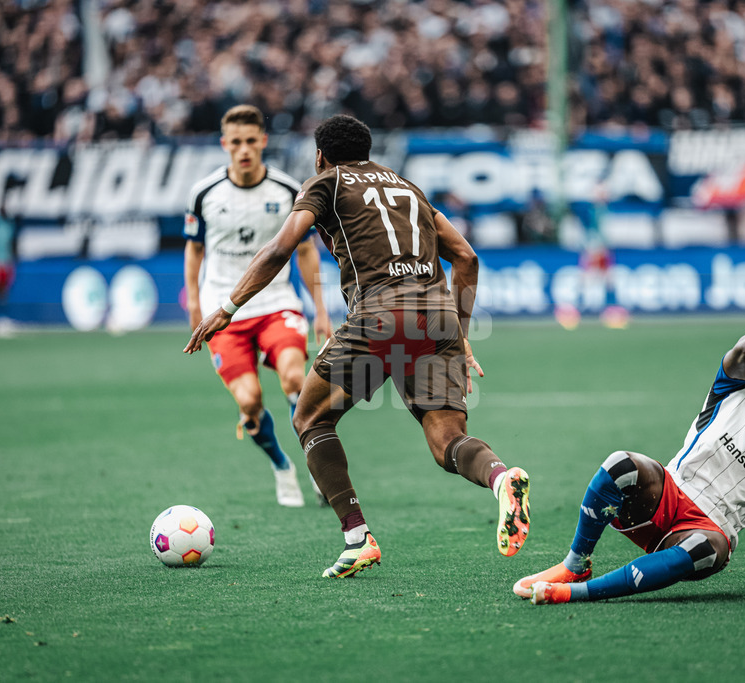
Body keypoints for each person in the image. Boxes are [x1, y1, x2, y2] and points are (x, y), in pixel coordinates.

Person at [184, 114, 532, 578]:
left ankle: (357, 538)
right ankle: (501, 477)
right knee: (446, 440)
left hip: (380, 317)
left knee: (310, 417)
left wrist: (227, 307)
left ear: (320, 156)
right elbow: (466, 257)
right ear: (367, 151)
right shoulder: (407, 187)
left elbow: (279, 249)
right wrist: (461, 334)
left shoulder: (325, 183)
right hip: (438, 320)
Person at [516, 317, 745, 604]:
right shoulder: (743, 376)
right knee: (620, 464)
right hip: (668, 495)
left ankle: (574, 594)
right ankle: (575, 566)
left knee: (707, 549)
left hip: (711, 529)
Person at [184, 104, 331, 508]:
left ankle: (317, 464)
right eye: (236, 142)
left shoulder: (287, 190)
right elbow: (194, 250)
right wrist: (194, 302)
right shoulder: (204, 193)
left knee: (295, 379)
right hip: (223, 310)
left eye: (251, 141)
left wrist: (320, 309)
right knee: (249, 402)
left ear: (263, 141)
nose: (244, 149)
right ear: (224, 144)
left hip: (276, 303)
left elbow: (307, 251)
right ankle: (282, 466)